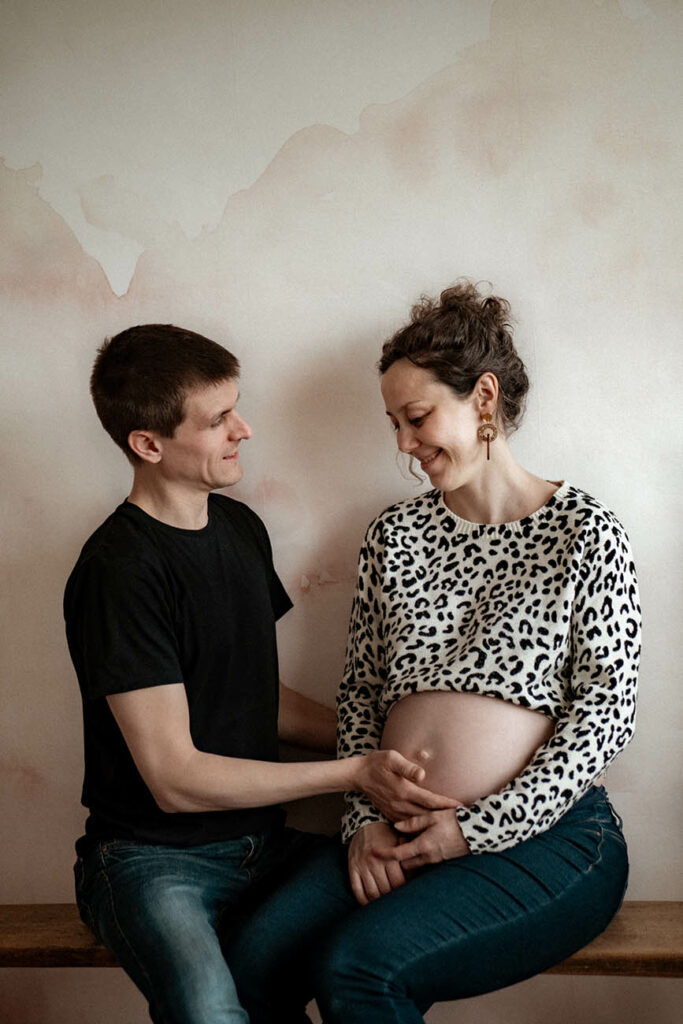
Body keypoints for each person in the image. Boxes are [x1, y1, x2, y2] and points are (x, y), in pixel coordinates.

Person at [226, 281, 641, 1023]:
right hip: (394, 827)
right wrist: (362, 826)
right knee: (254, 959)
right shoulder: (396, 534)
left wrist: (473, 829)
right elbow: (359, 696)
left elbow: (604, 716)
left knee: (358, 971)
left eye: (415, 418)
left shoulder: (584, 532)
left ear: (482, 398)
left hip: (548, 837)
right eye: (392, 424)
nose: (402, 446)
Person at [64, 324, 457, 1024]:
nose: (243, 430)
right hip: (151, 863)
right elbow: (176, 779)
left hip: (264, 848)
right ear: (148, 445)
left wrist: (382, 747)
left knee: (401, 920)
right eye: (217, 420)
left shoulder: (240, 529)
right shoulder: (117, 572)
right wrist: (352, 771)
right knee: (213, 1011)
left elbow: (254, 699)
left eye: (236, 409)